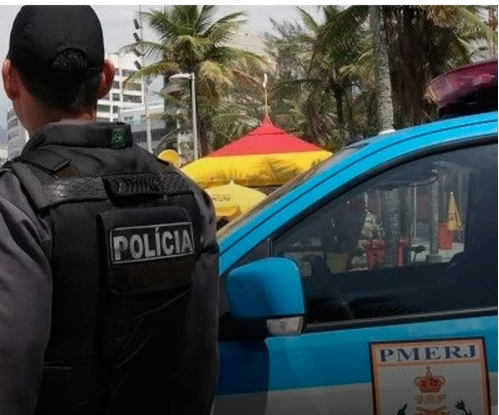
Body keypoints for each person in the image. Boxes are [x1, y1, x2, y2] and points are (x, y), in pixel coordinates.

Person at [0, 6, 219, 415]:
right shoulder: (188, 196)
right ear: (105, 78)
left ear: (10, 79)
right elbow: (201, 362)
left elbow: (9, 373)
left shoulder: (18, 207)